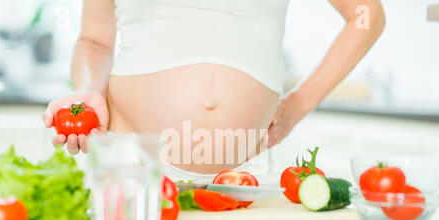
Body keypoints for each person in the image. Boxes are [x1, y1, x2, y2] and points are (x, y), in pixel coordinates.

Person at [42, 0, 385, 174]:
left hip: (244, 177)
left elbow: (365, 14)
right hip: (135, 168)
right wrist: (88, 89)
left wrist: (297, 106)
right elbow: (94, 41)